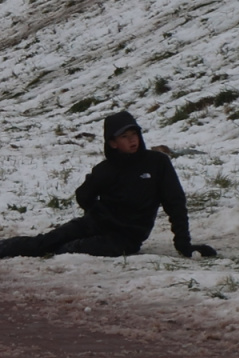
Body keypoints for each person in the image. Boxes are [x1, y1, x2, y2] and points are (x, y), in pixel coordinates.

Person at [0, 111, 215, 260]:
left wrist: (184, 244)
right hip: (93, 224)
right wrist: (97, 214)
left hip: (125, 238)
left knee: (67, 250)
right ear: (113, 143)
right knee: (44, 242)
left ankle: (62, 251)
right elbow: (84, 195)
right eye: (125, 137)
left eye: (134, 134)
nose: (132, 140)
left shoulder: (157, 163)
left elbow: (175, 203)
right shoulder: (106, 169)